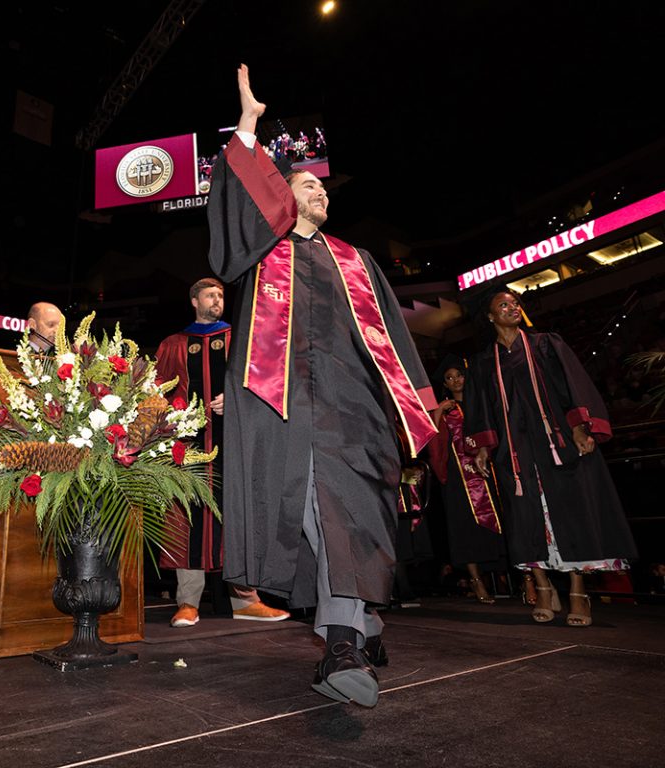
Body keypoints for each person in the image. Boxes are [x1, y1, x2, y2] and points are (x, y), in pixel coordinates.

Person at [207, 65, 437, 707]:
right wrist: (248, 130)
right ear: (282, 197)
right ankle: (347, 635)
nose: (319, 194)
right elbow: (233, 223)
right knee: (307, 509)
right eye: (305, 185)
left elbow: (394, 341)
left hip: (352, 411)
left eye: (322, 189)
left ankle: (354, 625)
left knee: (351, 514)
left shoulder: (357, 262)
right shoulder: (258, 260)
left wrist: (414, 411)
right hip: (281, 406)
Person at [466, 289, 638, 626]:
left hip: (556, 444)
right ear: (490, 316)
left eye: (515, 303)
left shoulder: (546, 344)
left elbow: (572, 386)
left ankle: (578, 590)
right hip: (515, 453)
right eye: (504, 305)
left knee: (572, 512)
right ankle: (543, 587)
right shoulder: (484, 361)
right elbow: (481, 409)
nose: (513, 307)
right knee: (527, 517)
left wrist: (579, 427)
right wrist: (484, 447)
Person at [154, 278, 290, 626]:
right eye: (210, 295)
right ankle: (188, 601)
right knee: (188, 518)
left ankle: (246, 599)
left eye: (220, 295)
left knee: (239, 514)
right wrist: (176, 411)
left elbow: (267, 383)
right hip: (188, 446)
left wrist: (236, 401)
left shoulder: (239, 339)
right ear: (194, 299)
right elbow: (154, 393)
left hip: (236, 444)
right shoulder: (173, 344)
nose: (217, 300)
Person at [427, 354, 507, 605]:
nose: (455, 380)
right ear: (446, 385)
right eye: (449, 378)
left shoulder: (482, 401)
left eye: (458, 375)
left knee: (502, 523)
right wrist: (438, 411)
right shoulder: (446, 409)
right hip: (458, 477)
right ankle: (476, 580)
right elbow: (428, 438)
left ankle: (519, 579)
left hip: (488, 472)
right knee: (465, 528)